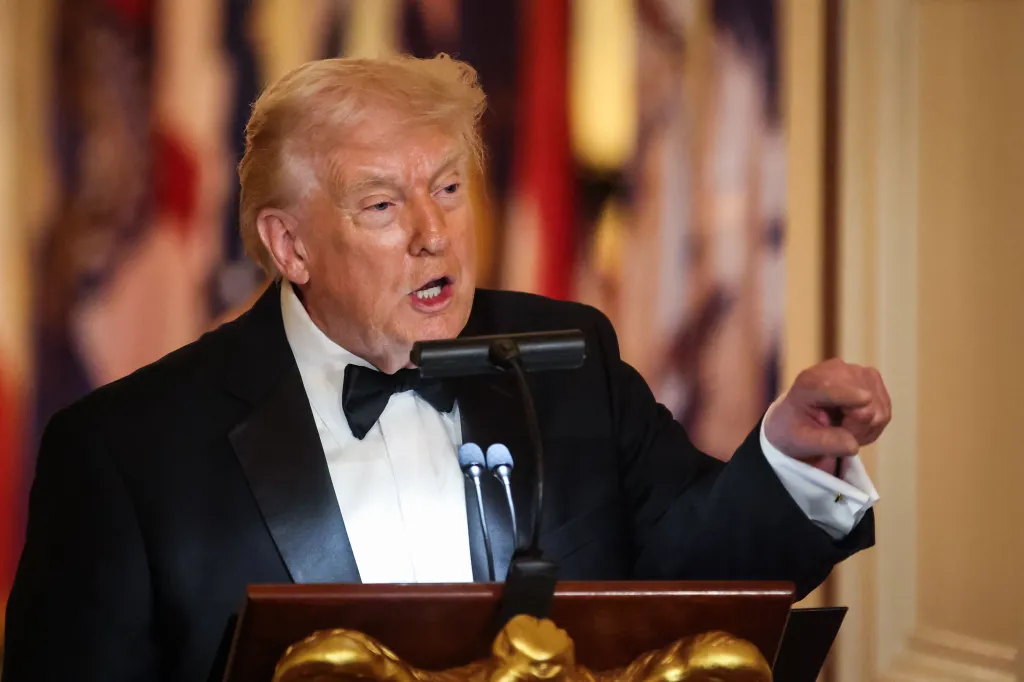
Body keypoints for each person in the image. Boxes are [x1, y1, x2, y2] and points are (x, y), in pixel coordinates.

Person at [2, 55, 890, 682]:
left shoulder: (567, 358)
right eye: (383, 204)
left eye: (451, 188)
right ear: (289, 245)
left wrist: (789, 460)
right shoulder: (124, 452)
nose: (435, 234)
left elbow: (694, 583)